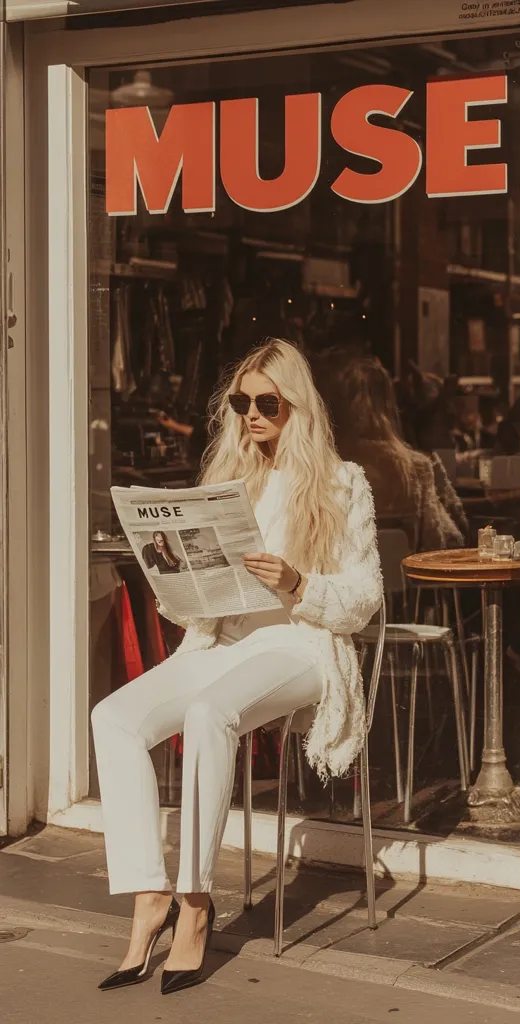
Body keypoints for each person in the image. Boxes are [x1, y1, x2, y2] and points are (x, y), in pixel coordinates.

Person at [91, 338, 383, 996]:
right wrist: (173, 573)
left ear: (297, 408)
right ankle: (148, 896)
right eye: (241, 402)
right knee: (113, 718)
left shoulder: (342, 486)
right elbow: (197, 606)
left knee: (207, 712)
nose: (251, 415)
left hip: (302, 646)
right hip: (223, 644)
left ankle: (195, 902)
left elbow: (363, 602)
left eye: (267, 403)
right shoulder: (230, 482)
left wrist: (298, 582)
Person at [319, 354, 464, 551]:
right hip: (400, 580)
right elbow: (439, 543)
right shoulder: (415, 468)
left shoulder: (315, 469)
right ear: (389, 406)